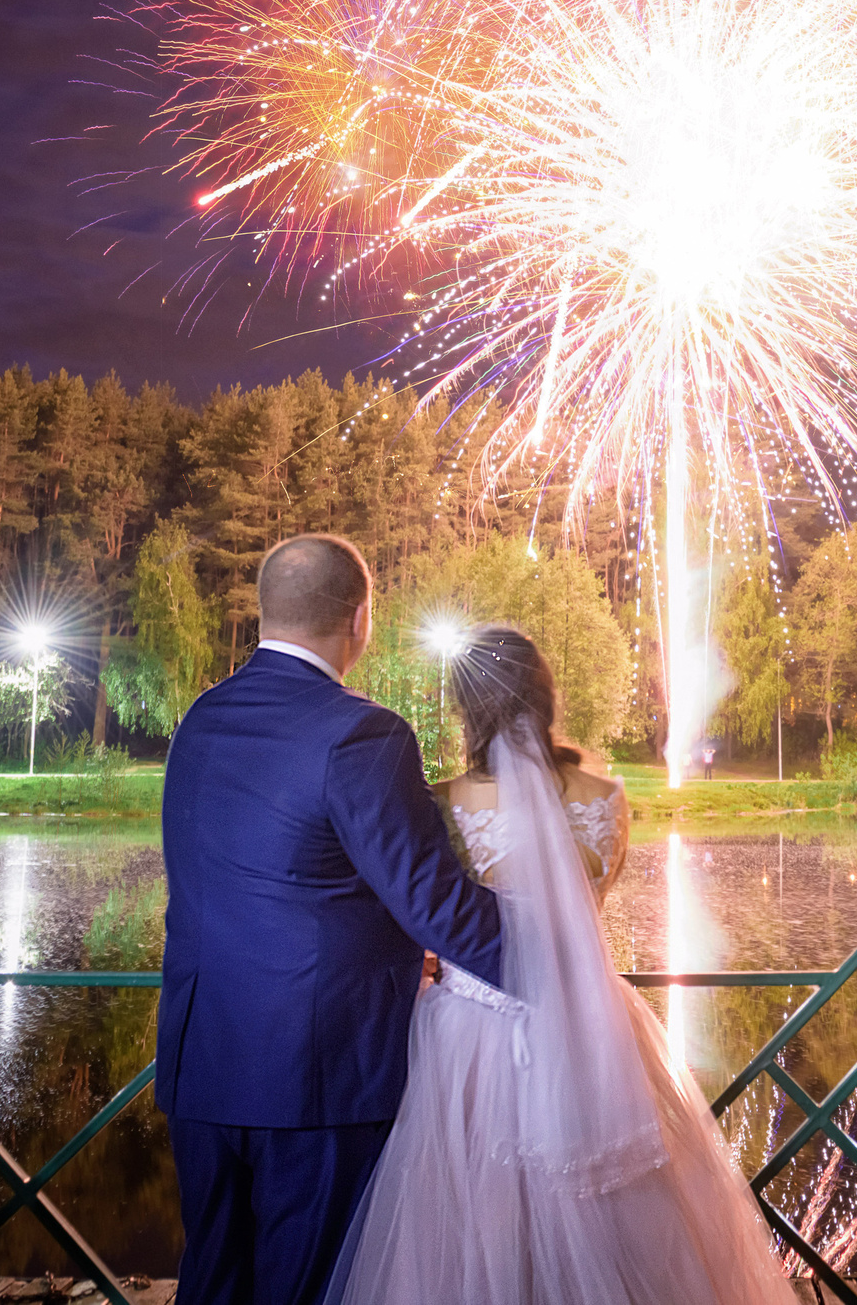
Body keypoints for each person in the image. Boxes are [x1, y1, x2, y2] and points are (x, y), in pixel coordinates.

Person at [326, 625, 798, 1305]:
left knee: (471, 1211)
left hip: (471, 1029)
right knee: (617, 1214)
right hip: (588, 1020)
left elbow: (429, 911)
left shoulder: (444, 802)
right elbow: (592, 901)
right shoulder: (605, 796)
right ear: (545, 696)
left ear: (466, 708)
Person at [157, 534, 506, 1305]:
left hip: (202, 1061)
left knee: (212, 1282)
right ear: (360, 618)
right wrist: (553, 961)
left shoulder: (200, 720)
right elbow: (432, 900)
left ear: (266, 611)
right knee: (310, 1288)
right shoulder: (363, 734)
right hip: (317, 1078)